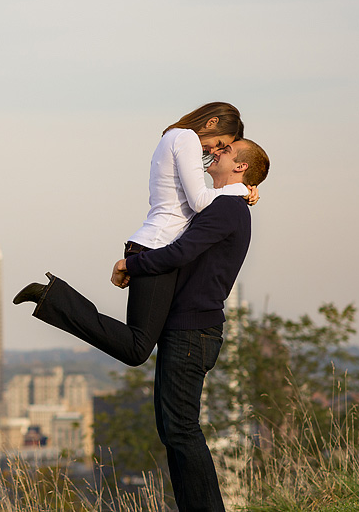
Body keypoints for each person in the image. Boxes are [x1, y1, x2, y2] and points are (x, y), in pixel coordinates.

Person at [13, 102, 257, 365]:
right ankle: (52, 298)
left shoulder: (173, 138)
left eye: (222, 148)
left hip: (152, 246)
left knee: (137, 347)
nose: (214, 150)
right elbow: (199, 201)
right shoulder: (186, 138)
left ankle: (53, 298)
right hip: (157, 246)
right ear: (212, 123)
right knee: (137, 347)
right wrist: (240, 190)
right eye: (220, 142)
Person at [109, 138, 270, 511]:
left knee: (181, 429)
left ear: (240, 167)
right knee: (173, 431)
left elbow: (180, 252)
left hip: (192, 332)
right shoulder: (228, 204)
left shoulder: (227, 209)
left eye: (226, 151)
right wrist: (246, 189)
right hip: (187, 331)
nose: (216, 153)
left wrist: (131, 265)